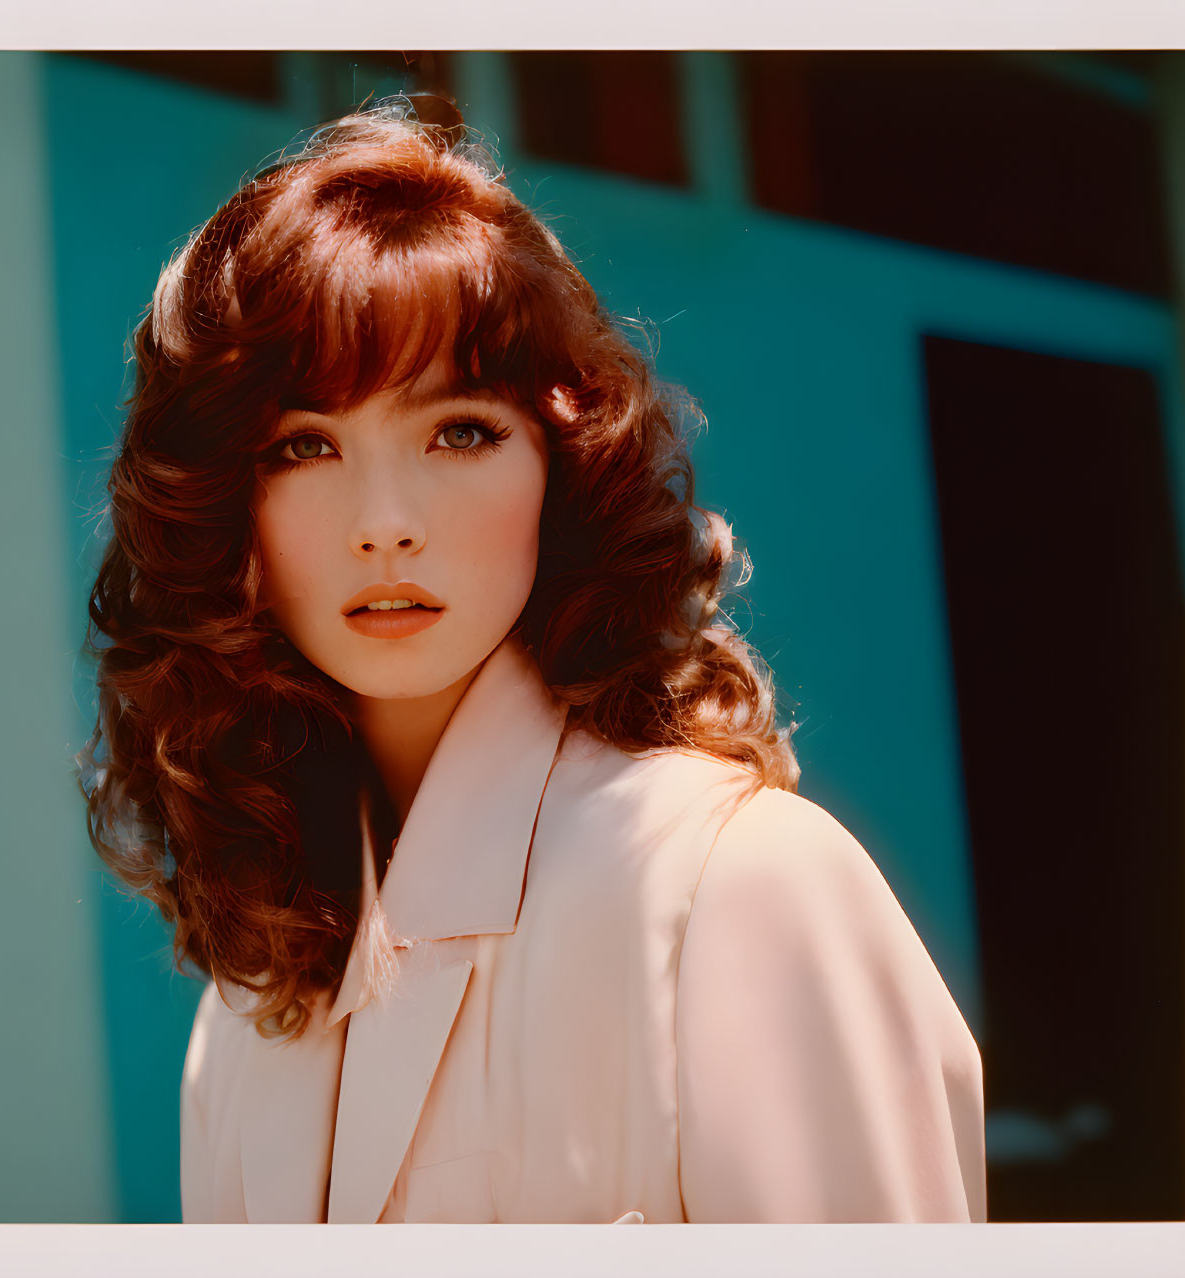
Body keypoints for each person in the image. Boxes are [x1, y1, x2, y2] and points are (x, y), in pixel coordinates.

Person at [79, 97, 986, 1224]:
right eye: (301, 446)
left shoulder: (741, 891)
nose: (385, 521)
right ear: (228, 524)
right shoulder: (252, 1008)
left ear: (560, 473)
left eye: (458, 430)